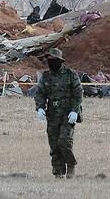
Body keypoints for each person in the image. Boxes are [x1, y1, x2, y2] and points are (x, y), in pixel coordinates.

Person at [34, 48, 83, 178]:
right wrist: (39, 107)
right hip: (52, 114)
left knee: (64, 141)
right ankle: (58, 172)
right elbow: (40, 94)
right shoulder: (46, 76)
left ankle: (71, 163)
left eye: (53, 60)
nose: (50, 62)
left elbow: (78, 94)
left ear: (60, 61)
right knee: (54, 145)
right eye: (49, 60)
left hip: (68, 114)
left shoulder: (70, 74)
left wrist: (75, 110)